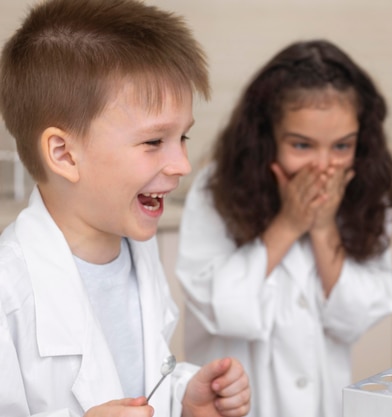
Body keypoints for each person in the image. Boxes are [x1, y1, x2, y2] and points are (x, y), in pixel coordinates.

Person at [0, 0, 251, 416]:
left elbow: (139, 376)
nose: (182, 165)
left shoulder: (137, 252)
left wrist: (185, 398)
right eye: (154, 142)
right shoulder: (9, 291)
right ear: (63, 154)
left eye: (182, 138)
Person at [176, 39, 392, 417]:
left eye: (342, 146)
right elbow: (218, 306)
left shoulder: (365, 194)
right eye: (302, 145)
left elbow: (359, 314)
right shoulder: (216, 189)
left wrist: (324, 227)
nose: (323, 167)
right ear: (266, 139)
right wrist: (290, 224)